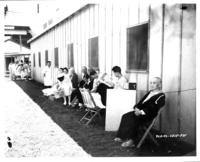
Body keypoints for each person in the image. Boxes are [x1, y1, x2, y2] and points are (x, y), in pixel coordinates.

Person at [114, 77, 165, 147]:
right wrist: (136, 108)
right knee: (125, 116)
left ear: (159, 85)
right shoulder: (150, 92)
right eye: (151, 83)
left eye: (154, 83)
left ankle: (131, 141)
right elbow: (141, 102)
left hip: (148, 115)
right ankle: (122, 136)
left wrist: (141, 112)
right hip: (140, 112)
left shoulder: (161, 95)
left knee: (134, 118)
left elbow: (154, 108)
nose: (152, 84)